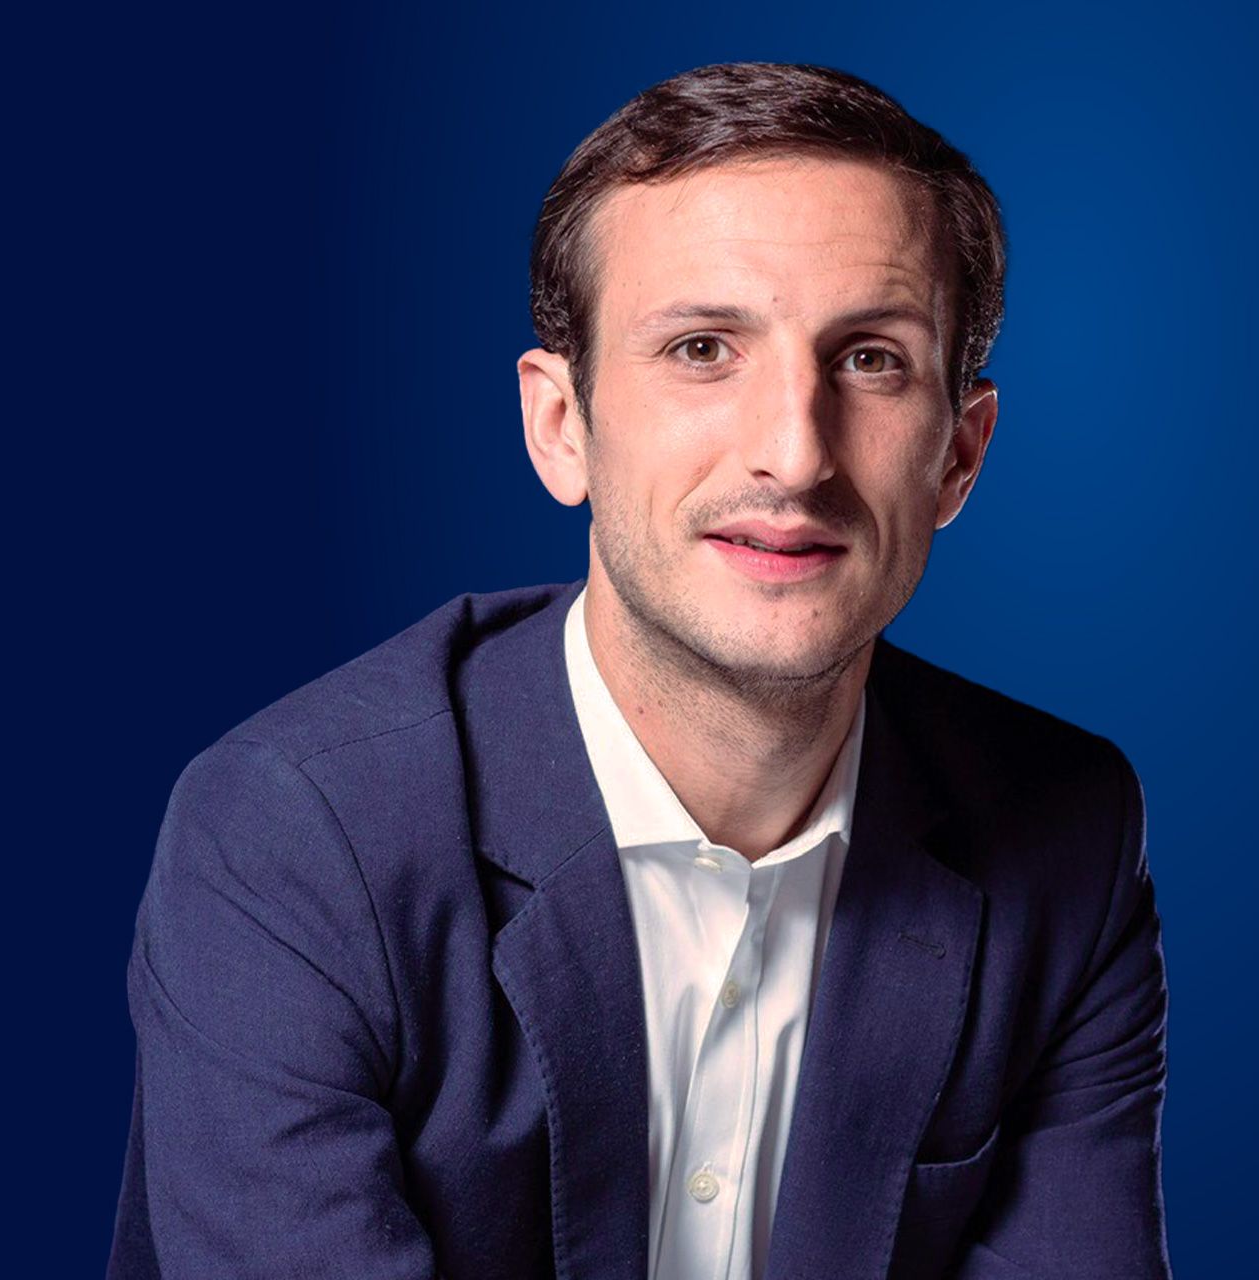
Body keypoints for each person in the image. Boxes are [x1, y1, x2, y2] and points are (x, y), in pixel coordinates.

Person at [108, 62, 1170, 1280]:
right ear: (561, 425)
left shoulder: (1069, 835)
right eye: (702, 347)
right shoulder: (295, 832)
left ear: (959, 456)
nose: (793, 453)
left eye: (871, 359)